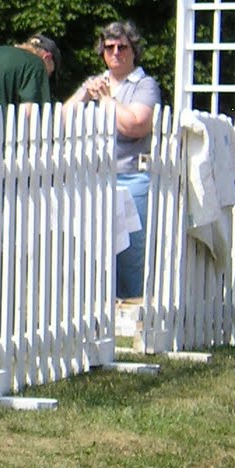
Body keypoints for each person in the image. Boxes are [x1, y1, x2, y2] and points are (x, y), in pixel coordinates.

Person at [65, 20, 160, 300]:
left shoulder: (144, 85)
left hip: (132, 177)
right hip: (93, 180)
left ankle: (133, 307)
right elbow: (60, 123)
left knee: (131, 252)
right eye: (109, 47)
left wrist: (107, 102)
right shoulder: (96, 84)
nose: (116, 52)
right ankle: (100, 306)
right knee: (93, 249)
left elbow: (136, 126)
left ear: (134, 51)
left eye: (122, 47)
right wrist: (84, 94)